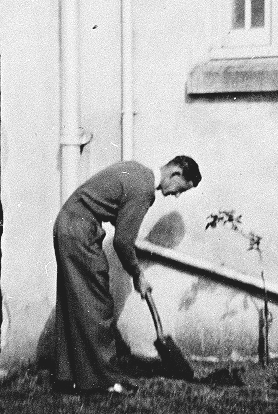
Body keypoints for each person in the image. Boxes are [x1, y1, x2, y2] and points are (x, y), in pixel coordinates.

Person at [52, 155, 202, 395]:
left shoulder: (136, 170)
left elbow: (113, 211)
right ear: (175, 174)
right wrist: (137, 274)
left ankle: (67, 377)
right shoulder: (144, 190)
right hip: (80, 230)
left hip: (68, 224)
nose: (175, 195)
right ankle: (104, 380)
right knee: (98, 305)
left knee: (75, 302)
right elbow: (123, 241)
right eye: (179, 190)